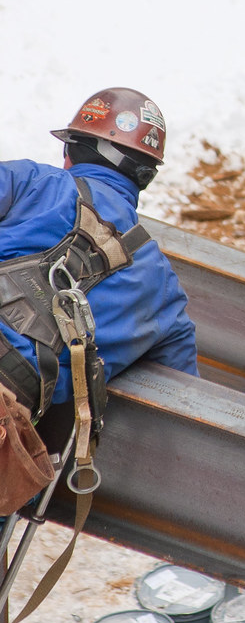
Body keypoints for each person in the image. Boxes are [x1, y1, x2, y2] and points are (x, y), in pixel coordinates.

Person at [0, 86, 198, 450]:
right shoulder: (164, 292)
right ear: (144, 177)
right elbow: (183, 403)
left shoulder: (30, 181)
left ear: (72, 151)